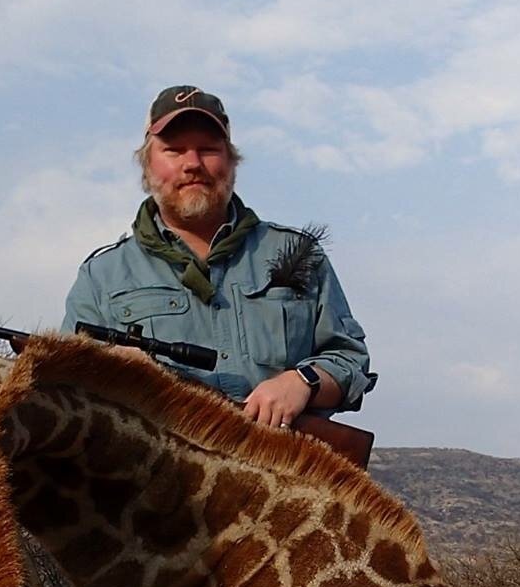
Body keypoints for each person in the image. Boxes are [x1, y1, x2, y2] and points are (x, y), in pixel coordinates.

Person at [64, 86, 374, 428]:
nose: (192, 164)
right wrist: (113, 375)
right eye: (174, 150)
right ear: (147, 164)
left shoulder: (298, 253)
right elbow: (68, 393)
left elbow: (350, 360)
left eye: (208, 150)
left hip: (284, 468)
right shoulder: (101, 276)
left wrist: (302, 383)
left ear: (232, 161)